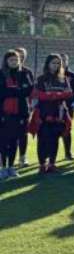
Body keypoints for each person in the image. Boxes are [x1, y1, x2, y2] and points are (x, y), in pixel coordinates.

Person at [30, 54, 73, 174]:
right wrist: (56, 95)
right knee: (42, 139)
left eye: (58, 63)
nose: (56, 65)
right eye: (53, 63)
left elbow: (69, 94)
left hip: (59, 113)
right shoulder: (41, 79)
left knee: (55, 139)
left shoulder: (63, 78)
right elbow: (38, 94)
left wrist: (53, 95)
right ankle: (42, 164)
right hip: (43, 112)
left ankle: (52, 164)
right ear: (48, 64)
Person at [0, 50, 33, 179]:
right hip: (3, 112)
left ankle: (11, 167)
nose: (14, 62)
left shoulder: (24, 73)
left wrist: (12, 91)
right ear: (6, 61)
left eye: (16, 60)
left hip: (20, 113)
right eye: (11, 60)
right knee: (3, 141)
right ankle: (3, 168)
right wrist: (17, 90)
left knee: (14, 140)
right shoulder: (1, 74)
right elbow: (1, 93)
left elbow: (28, 90)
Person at [13, 47, 34, 168]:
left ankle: (22, 157)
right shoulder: (4, 72)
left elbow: (29, 89)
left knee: (23, 134)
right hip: (7, 109)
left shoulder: (27, 72)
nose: (20, 57)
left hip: (23, 108)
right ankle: (5, 158)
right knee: (7, 134)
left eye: (22, 55)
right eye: (17, 55)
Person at [61, 53, 74, 161]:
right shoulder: (50, 74)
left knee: (67, 130)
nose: (62, 62)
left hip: (68, 107)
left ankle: (68, 153)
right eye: (60, 60)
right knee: (51, 131)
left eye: (64, 60)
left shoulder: (72, 75)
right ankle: (49, 157)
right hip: (53, 107)